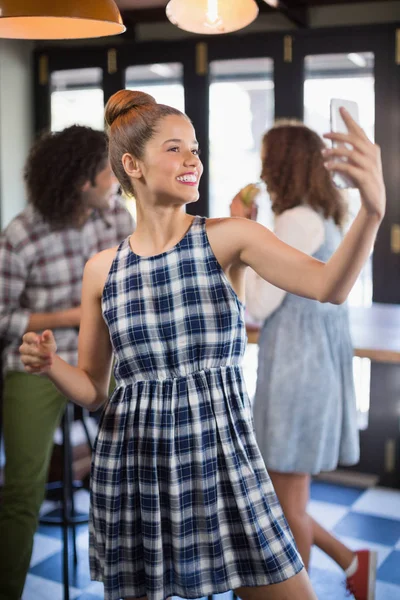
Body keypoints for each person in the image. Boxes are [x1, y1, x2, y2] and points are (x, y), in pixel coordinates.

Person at [19, 90, 385, 600]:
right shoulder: (101, 270)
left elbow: (331, 287)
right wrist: (52, 365)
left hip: (225, 456)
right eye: (175, 148)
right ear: (133, 165)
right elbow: (93, 390)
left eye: (195, 147)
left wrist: (372, 209)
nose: (194, 158)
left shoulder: (229, 236)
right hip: (136, 467)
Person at [230, 121, 377, 600]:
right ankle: (351, 561)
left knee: (284, 499)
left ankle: (299, 590)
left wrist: (244, 234)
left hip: (297, 368)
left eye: (268, 158)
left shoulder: (295, 221)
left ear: (281, 165)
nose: (262, 169)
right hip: (313, 364)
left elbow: (259, 305)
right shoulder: (322, 213)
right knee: (284, 491)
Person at [0, 125, 135, 600]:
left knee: (137, 472)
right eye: (108, 172)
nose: (116, 180)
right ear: (84, 182)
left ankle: (133, 586)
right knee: (21, 491)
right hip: (35, 364)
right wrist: (73, 315)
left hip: (105, 360)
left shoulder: (115, 220)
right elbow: (1, 316)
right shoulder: (21, 234)